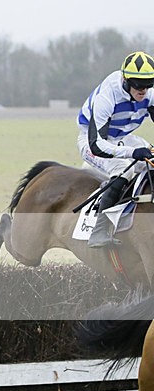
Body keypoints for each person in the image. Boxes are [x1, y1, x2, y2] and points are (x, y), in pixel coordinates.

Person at [78, 51, 154, 247]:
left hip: (124, 137)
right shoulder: (107, 95)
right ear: (125, 79)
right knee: (123, 170)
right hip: (93, 141)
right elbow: (98, 145)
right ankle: (99, 231)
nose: (143, 90)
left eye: (148, 84)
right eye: (137, 84)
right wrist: (133, 153)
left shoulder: (149, 92)